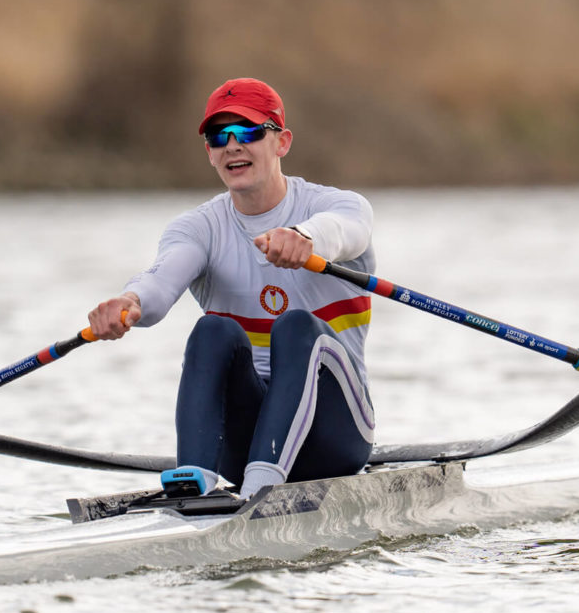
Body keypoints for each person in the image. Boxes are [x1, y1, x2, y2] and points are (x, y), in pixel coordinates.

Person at [86, 77, 376, 499]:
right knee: (212, 329)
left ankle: (260, 488)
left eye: (250, 131)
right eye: (218, 136)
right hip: (242, 443)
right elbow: (160, 282)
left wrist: (305, 238)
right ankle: (193, 482)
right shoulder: (198, 228)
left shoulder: (336, 206)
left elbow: (347, 231)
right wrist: (129, 303)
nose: (232, 145)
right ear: (209, 152)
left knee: (298, 326)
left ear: (282, 142)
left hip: (335, 437)